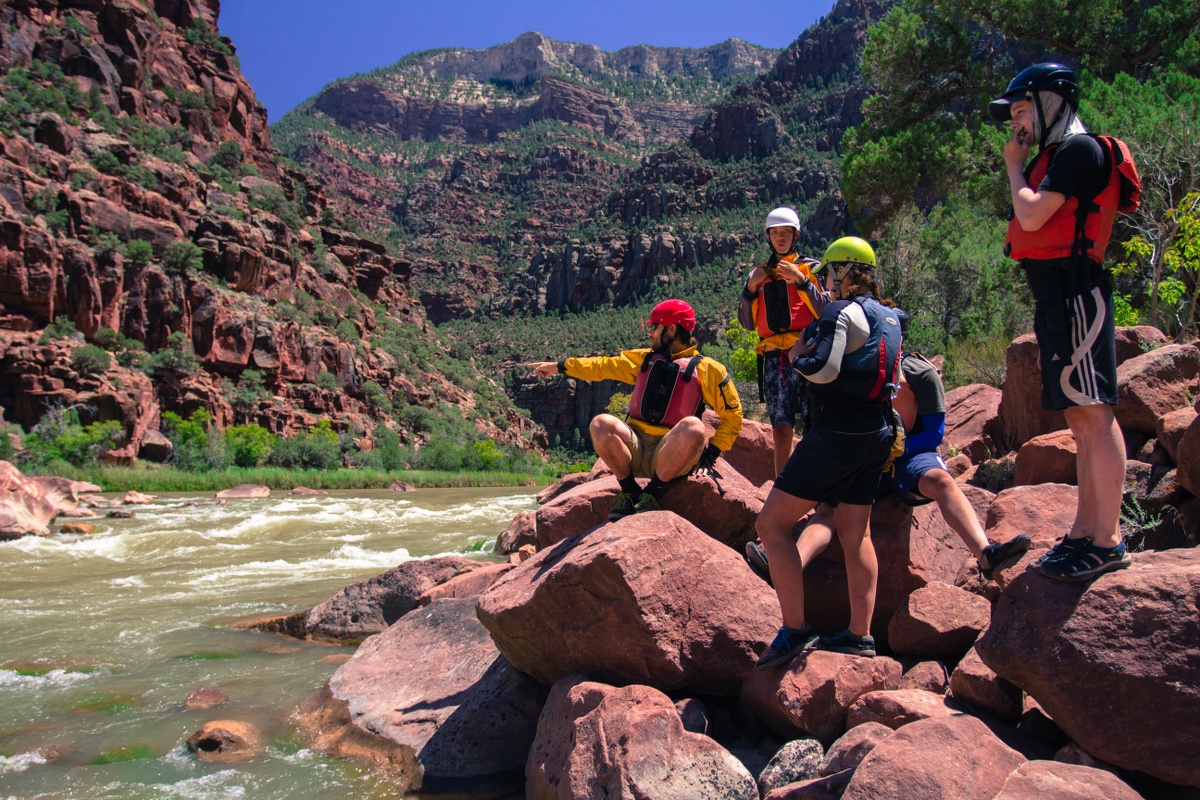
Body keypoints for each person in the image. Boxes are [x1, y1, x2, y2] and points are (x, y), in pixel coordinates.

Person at [747, 314, 1033, 594]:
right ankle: (785, 568)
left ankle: (985, 552)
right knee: (828, 511)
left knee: (941, 481)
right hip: (863, 457)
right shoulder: (852, 369)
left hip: (908, 456)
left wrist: (896, 452)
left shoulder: (919, 372)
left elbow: (933, 433)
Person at [990, 62, 1132, 581]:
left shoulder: (1079, 150)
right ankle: (1083, 533)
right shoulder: (1058, 156)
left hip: (1078, 294)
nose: (1015, 124)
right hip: (1058, 297)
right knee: (1079, 418)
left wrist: (1013, 166)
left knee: (1094, 414)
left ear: (1050, 103)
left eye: (1021, 110)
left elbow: (1030, 215)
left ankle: (1108, 540)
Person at [755, 237, 901, 668]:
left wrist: (798, 355)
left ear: (846, 270)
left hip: (837, 433)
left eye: (832, 272)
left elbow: (825, 369)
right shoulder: (891, 316)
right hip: (876, 431)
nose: (828, 281)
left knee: (771, 524)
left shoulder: (842, 311)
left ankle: (795, 629)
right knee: (857, 533)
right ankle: (860, 635)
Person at [528, 299, 742, 520]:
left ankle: (652, 493)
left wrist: (711, 453)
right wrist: (559, 367)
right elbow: (601, 366)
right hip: (636, 450)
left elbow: (733, 415)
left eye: (655, 327)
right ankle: (630, 491)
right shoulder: (644, 359)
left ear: (671, 330)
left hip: (671, 456)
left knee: (695, 427)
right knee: (600, 423)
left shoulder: (709, 370)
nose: (650, 332)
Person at [738, 207, 829, 477]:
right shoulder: (758, 275)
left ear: (795, 234)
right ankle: (783, 485)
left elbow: (826, 311)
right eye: (775, 232)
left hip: (806, 352)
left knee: (814, 423)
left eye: (786, 232)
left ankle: (815, 483)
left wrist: (801, 281)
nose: (780, 237)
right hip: (774, 357)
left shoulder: (810, 269)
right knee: (780, 428)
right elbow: (747, 323)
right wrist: (750, 288)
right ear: (768, 236)